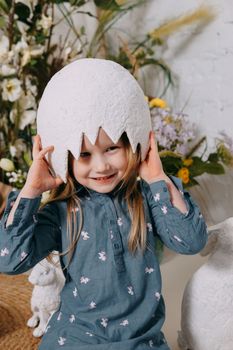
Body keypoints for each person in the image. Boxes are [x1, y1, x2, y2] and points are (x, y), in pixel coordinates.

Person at [0, 59, 207, 350]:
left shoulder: (148, 198)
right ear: (65, 158)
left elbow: (191, 241)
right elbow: (8, 260)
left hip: (140, 341)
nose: (101, 165)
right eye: (84, 154)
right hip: (73, 339)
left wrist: (157, 177)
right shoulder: (61, 212)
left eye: (112, 148)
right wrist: (31, 190)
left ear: (133, 143)